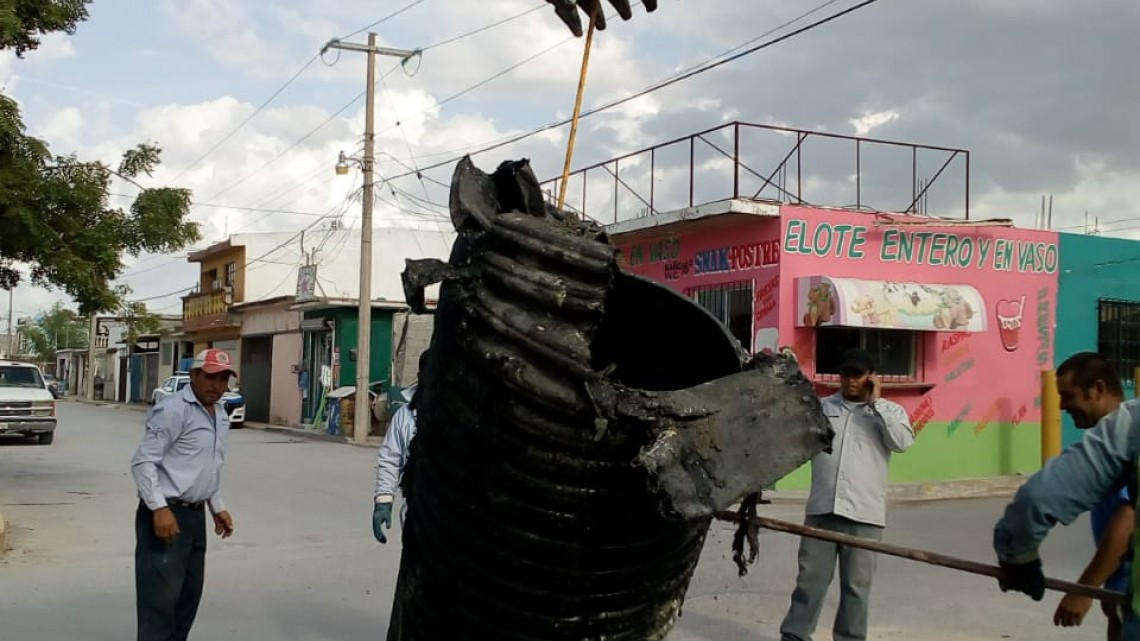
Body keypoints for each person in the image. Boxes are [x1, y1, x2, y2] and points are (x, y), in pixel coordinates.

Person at [780, 347, 915, 641]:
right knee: (809, 583)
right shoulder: (822, 408)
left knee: (856, 589)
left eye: (857, 374)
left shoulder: (889, 412)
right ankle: (794, 637)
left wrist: (876, 403)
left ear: (871, 377)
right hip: (821, 512)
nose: (850, 380)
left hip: (864, 516)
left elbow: (903, 443)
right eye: (845, 374)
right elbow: (796, 440)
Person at [130, 348, 237, 641]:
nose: (217, 385)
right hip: (165, 515)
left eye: (224, 378)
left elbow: (208, 467)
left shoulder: (220, 415)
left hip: (194, 516)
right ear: (194, 375)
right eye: (211, 377)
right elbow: (143, 461)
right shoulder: (174, 409)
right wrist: (158, 508)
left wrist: (218, 506)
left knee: (188, 597)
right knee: (160, 603)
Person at [1051, 353, 1132, 639]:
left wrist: (1085, 589)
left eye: (1068, 396)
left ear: (1097, 389)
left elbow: (1129, 516)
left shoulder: (1125, 439)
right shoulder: (1109, 440)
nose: (1061, 406)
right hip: (1121, 586)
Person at [373, 350, 429, 544]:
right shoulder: (405, 417)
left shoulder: (464, 413)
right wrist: (384, 502)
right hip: (417, 511)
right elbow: (390, 459)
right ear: (420, 376)